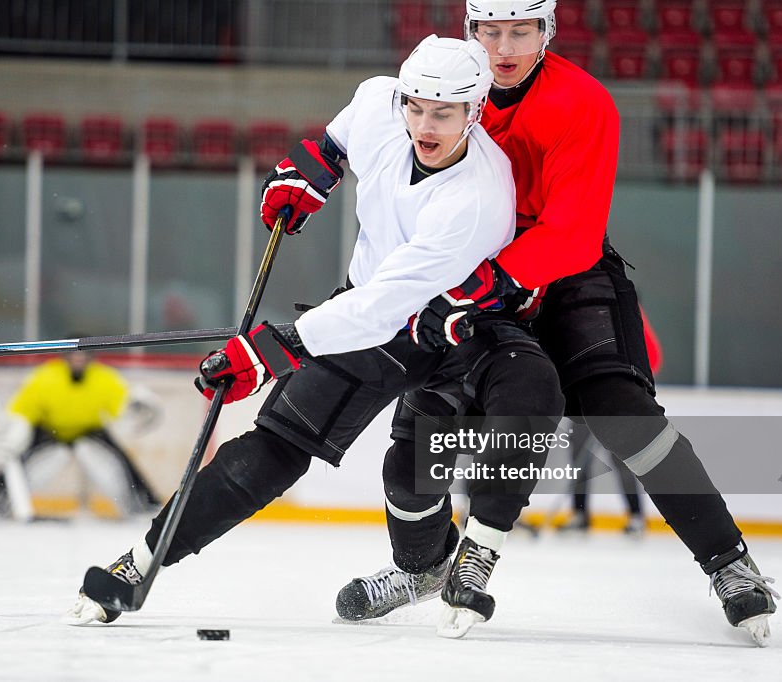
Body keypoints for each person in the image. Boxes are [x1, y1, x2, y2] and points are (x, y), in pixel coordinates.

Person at [67, 35, 565, 628]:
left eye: (444, 113)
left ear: (475, 110)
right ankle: (139, 564)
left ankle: (479, 551)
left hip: (461, 323)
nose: (424, 125)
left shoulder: (478, 197)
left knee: (530, 391)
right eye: (415, 107)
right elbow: (336, 141)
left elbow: (387, 304)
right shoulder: (379, 103)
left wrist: (274, 348)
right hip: (374, 310)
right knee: (275, 446)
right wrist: (309, 174)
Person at [333, 1, 778, 645]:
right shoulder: (438, 95)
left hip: (561, 270)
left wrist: (484, 284)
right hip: (468, 269)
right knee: (423, 422)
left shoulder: (582, 101)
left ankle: (731, 563)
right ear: (469, 33)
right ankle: (422, 566)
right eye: (490, 31)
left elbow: (573, 230)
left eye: (522, 31)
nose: (505, 47)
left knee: (622, 412)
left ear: (548, 32)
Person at [0, 350, 161, 520]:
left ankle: (145, 505)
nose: (78, 361)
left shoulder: (105, 377)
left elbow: (121, 409)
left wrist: (135, 405)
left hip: (89, 430)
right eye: (73, 356)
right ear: (64, 357)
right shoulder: (45, 376)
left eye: (83, 357)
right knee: (19, 463)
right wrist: (13, 434)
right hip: (49, 429)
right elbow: (23, 410)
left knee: (121, 462)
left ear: (91, 358)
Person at [558, 311, 661, 534]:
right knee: (578, 457)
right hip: (584, 401)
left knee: (622, 459)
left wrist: (630, 386)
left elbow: (652, 357)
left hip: (617, 403)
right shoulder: (581, 315)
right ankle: (579, 513)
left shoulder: (630, 317)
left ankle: (635, 515)